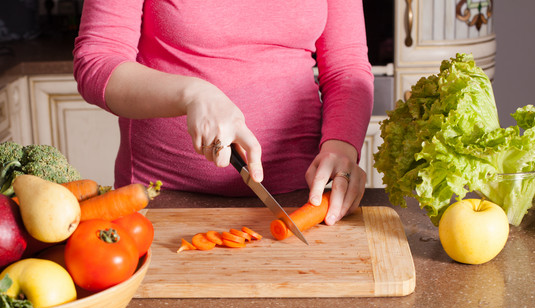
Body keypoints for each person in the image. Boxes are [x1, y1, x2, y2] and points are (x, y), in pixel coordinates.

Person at [73, 0, 374, 225]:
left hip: (301, 200)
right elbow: (97, 61)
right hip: (162, 200)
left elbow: (346, 66)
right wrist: (191, 93)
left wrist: (341, 144)